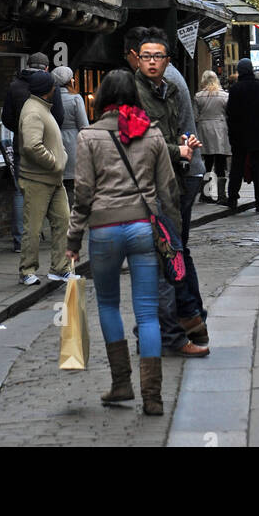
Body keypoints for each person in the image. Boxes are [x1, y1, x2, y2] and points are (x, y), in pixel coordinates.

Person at [66, 68, 180, 416]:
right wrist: (172, 233)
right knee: (147, 313)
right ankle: (153, 396)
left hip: (104, 230)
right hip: (143, 228)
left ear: (102, 97)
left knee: (109, 305)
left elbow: (83, 192)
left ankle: (121, 384)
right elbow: (168, 190)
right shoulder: (153, 134)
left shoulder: (89, 136)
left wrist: (73, 237)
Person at [131, 30, 208, 357]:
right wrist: (179, 150)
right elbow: (138, 140)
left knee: (166, 259)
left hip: (169, 183)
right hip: (148, 189)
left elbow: (176, 133)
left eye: (158, 57)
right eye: (147, 56)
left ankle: (163, 331)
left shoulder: (170, 88)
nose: (152, 62)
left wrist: (184, 146)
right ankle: (175, 332)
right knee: (167, 260)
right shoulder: (133, 92)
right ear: (135, 57)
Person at [17, 69, 71, 286]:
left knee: (63, 221)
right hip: (37, 179)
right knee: (34, 227)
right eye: (53, 86)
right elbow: (32, 145)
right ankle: (27, 271)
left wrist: (61, 157)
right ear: (48, 90)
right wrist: (55, 162)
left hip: (53, 179)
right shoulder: (33, 111)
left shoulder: (42, 108)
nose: (55, 89)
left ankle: (60, 268)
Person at [226, 57, 259, 213]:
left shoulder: (235, 89)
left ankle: (232, 198)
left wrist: (231, 133)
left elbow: (230, 114)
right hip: (258, 134)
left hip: (239, 135)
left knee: (237, 167)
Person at [194, 69, 231, 204]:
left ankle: (206, 193)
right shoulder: (224, 96)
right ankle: (222, 195)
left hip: (204, 128)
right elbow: (228, 113)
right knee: (220, 161)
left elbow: (195, 116)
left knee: (207, 161)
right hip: (220, 128)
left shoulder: (198, 96)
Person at [54, 66, 89, 204]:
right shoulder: (76, 98)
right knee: (72, 183)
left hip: (55, 139)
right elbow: (84, 125)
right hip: (73, 142)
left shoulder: (50, 99)